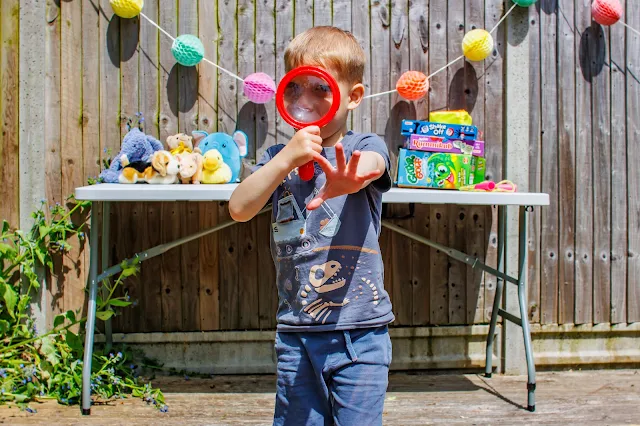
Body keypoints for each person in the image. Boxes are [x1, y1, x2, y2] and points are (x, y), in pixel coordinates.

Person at [229, 26, 395, 426]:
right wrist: (285, 159)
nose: (306, 100)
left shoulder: (362, 147)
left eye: (321, 89)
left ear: (352, 96)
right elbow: (238, 207)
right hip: (296, 334)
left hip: (360, 335)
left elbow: (373, 167)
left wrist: (350, 180)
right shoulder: (276, 158)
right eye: (295, 88)